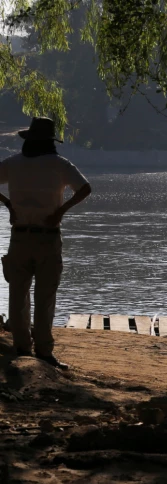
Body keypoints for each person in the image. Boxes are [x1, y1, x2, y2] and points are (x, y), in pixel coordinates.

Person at [0, 117, 92, 371]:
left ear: (27, 140)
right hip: (48, 237)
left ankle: (21, 349)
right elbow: (85, 189)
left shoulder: (13, 164)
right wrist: (61, 211)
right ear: (51, 142)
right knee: (45, 297)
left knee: (18, 296)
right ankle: (43, 352)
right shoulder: (59, 164)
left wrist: (8, 204)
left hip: (19, 236)